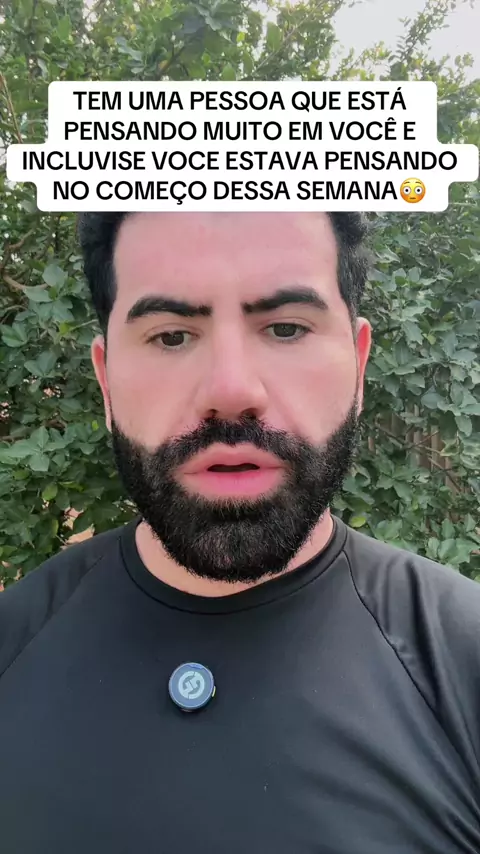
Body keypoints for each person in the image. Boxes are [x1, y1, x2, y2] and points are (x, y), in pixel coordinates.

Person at [0, 211, 479, 854]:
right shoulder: (12, 643)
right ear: (107, 381)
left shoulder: (463, 659)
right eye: (171, 335)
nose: (231, 390)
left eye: (286, 328)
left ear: (359, 366)